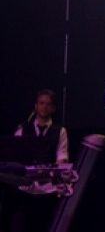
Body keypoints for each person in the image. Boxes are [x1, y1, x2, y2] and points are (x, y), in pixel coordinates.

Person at [0, 89, 70, 232]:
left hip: (47, 189)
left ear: (53, 108)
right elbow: (15, 159)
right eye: (41, 103)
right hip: (25, 189)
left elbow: (61, 158)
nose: (44, 107)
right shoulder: (23, 128)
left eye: (48, 104)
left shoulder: (60, 131)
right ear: (36, 106)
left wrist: (48, 173)